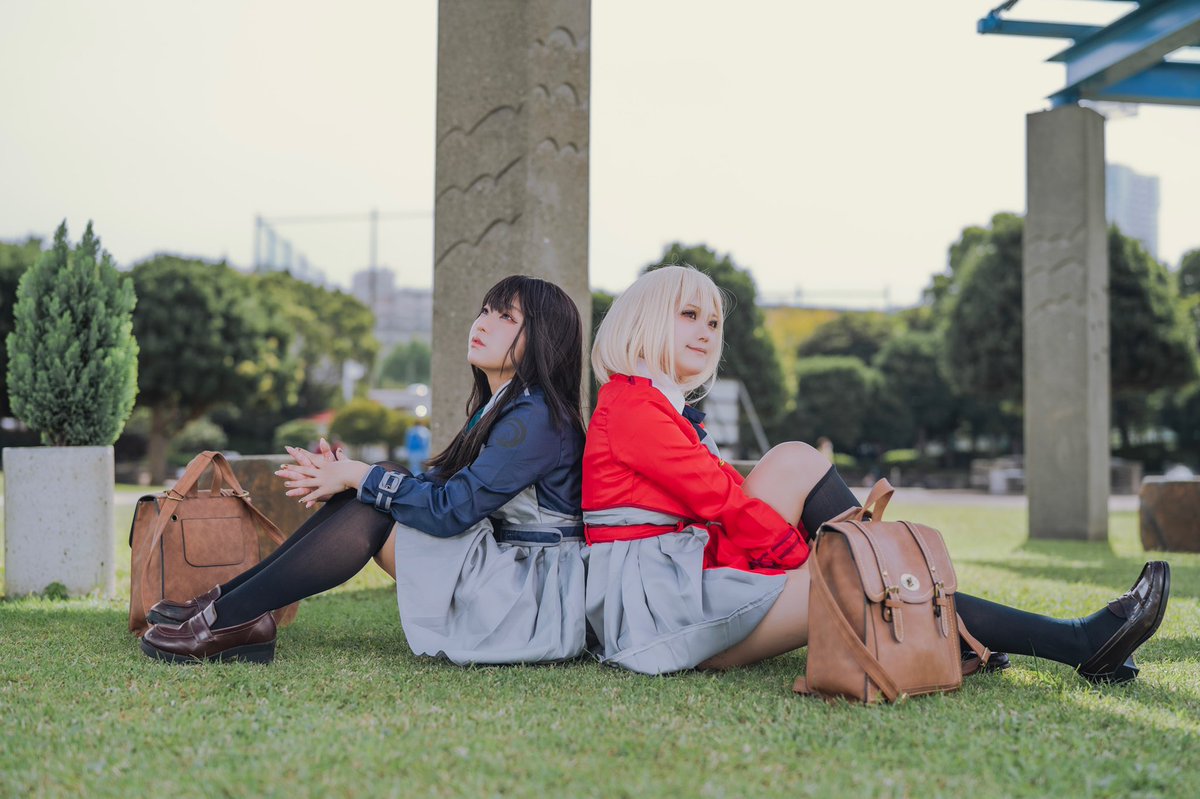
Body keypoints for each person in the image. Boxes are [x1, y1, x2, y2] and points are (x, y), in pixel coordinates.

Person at [582, 265, 1169, 683]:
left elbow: (728, 496)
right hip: (662, 614)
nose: (707, 331)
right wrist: (812, 558)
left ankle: (963, 630)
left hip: (678, 582)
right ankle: (1076, 642)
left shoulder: (651, 404)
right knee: (860, 575)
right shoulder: (633, 408)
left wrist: (828, 551)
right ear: (643, 322)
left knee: (796, 461)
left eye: (713, 322)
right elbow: (722, 502)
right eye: (689, 316)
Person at [141, 275, 588, 666]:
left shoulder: (535, 418)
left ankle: (232, 616)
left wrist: (359, 477)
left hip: (528, 595)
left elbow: (451, 510)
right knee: (378, 481)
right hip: (508, 569)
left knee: (373, 495)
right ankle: (230, 606)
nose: (483, 323)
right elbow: (437, 488)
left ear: (544, 339)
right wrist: (350, 474)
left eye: (506, 317)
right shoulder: (507, 406)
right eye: (485, 310)